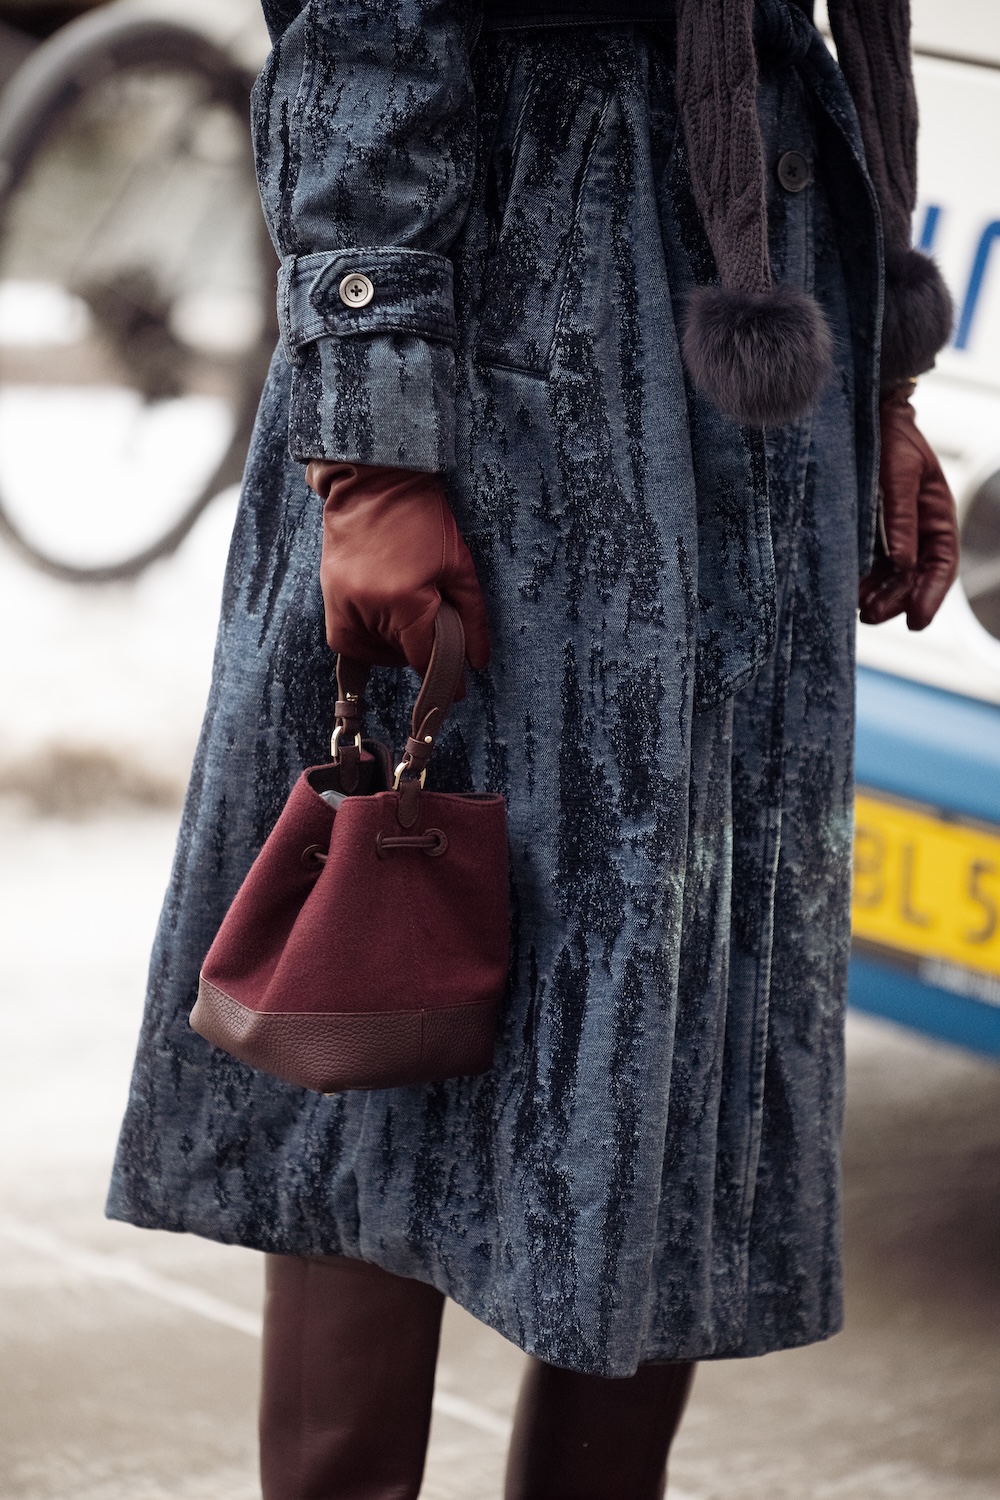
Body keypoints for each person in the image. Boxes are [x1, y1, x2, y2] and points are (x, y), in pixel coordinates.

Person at [107, 1, 958, 1495]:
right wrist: (371, 439)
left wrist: (880, 380)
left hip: (757, 301)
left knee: (687, 997)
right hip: (516, 325)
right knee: (397, 944)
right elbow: (364, 30)